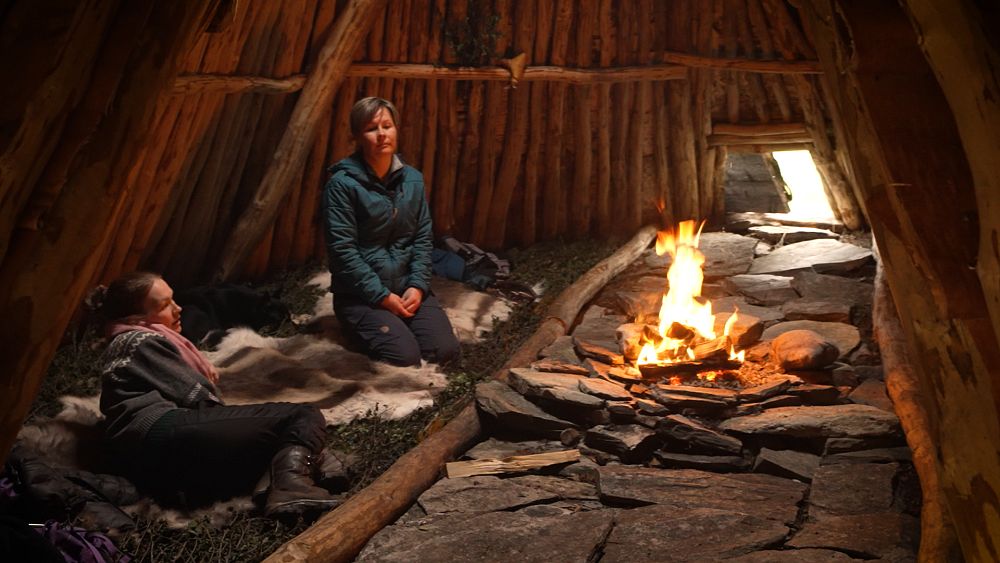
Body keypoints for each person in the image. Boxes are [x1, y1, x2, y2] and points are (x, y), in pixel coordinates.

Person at [88, 272, 337, 515]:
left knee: (287, 444)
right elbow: (199, 398)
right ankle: (290, 488)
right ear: (135, 318)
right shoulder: (138, 340)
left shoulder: (129, 341)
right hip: (158, 430)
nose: (178, 308)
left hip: (156, 448)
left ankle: (281, 481)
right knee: (302, 416)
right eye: (165, 305)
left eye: (174, 299)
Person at [323, 97, 460, 367]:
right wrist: (382, 297)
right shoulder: (341, 185)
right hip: (362, 296)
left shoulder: (412, 180)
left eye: (387, 125)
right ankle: (359, 327)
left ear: (396, 129)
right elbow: (343, 252)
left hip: (405, 288)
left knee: (446, 353)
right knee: (405, 359)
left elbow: (422, 239)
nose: (382, 134)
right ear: (358, 136)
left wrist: (418, 287)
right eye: (372, 128)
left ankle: (401, 317)